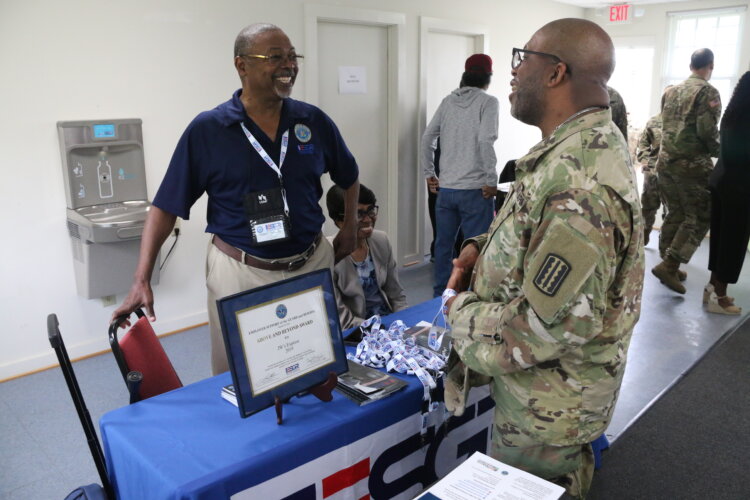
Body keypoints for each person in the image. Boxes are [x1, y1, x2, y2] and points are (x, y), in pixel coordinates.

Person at [442, 18, 644, 498]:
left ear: (555, 73)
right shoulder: (570, 152)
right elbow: (532, 226)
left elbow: (549, 325)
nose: (513, 72)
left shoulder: (581, 180)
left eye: (522, 58)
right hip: (546, 396)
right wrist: (481, 247)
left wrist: (460, 314)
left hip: (549, 408)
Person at [112, 23, 360, 375]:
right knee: (243, 376)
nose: (288, 65)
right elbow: (166, 207)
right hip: (243, 271)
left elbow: (349, 175)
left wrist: (349, 228)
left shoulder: (312, 120)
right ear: (241, 65)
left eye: (292, 57)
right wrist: (142, 278)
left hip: (311, 264)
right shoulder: (209, 129)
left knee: (315, 366)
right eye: (275, 57)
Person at [421, 54, 499, 297]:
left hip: (447, 191)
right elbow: (486, 139)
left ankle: (439, 299)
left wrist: (429, 173)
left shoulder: (447, 101)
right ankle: (471, 299)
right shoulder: (489, 102)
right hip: (476, 191)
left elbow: (427, 138)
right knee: (476, 249)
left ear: (464, 76)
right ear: (488, 77)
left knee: (444, 248)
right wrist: (491, 180)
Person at [652, 48, 721, 294]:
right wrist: (721, 151)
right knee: (699, 215)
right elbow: (706, 130)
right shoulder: (708, 92)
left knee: (676, 212)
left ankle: (667, 260)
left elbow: (664, 124)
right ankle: (670, 265)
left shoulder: (670, 91)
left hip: (665, 162)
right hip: (691, 165)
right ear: (710, 65)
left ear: (691, 65)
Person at [326, 184, 407, 329]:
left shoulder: (381, 240)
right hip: (357, 329)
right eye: (359, 214)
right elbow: (342, 319)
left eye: (371, 210)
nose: (368, 219)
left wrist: (406, 322)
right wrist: (379, 330)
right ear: (339, 220)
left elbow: (396, 295)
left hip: (390, 321)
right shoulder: (328, 255)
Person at [706, 71, 750, 315]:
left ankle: (712, 287)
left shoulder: (732, 115)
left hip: (722, 181)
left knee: (721, 239)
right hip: (739, 187)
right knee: (733, 243)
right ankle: (719, 297)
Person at [636, 112, 663, 246]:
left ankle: (665, 246)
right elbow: (643, 142)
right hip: (653, 171)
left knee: (672, 213)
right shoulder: (654, 121)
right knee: (648, 207)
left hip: (675, 173)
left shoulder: (686, 120)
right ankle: (643, 237)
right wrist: (645, 161)